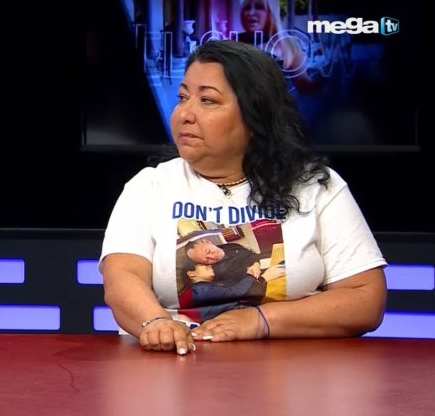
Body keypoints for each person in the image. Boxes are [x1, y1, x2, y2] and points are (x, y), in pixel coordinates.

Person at [100, 40, 387, 355]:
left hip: (294, 369)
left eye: (207, 100)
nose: (184, 113)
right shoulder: (149, 186)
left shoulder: (315, 186)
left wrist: (261, 321)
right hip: (177, 361)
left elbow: (365, 298)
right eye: (183, 98)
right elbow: (123, 276)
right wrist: (155, 322)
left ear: (254, 116)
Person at [237, 0, 319, 94]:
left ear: (270, 13)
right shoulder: (233, 43)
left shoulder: (288, 45)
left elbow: (303, 84)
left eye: (259, 7)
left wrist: (325, 85)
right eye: (247, 8)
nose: (251, 12)